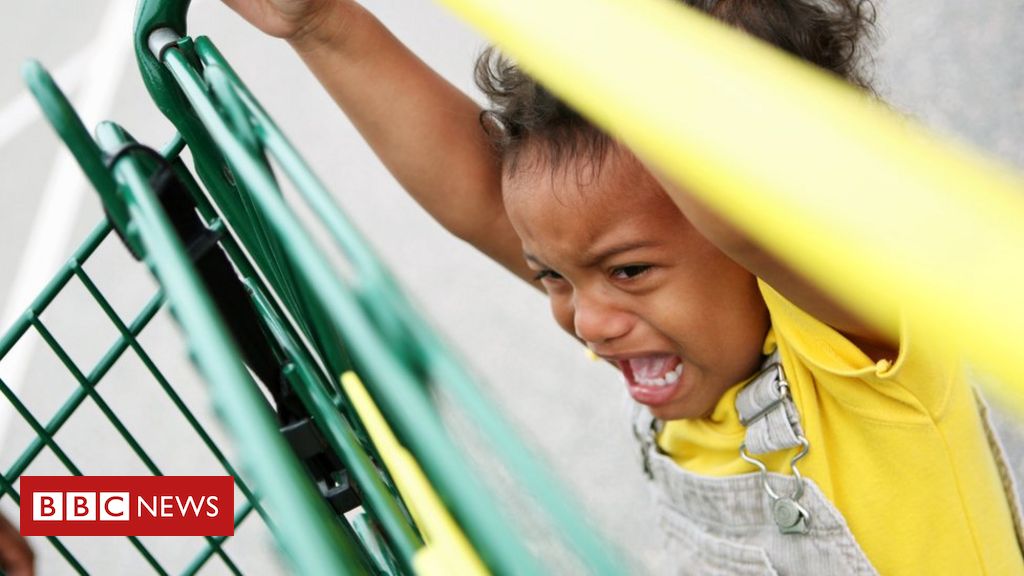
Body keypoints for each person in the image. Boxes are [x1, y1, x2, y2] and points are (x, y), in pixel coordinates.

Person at [220, 0, 1024, 573]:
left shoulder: (861, 356)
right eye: (553, 278)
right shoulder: (695, 349)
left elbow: (741, 212)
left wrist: (622, 41)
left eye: (629, 271)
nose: (588, 321)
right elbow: (478, 199)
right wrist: (322, 22)